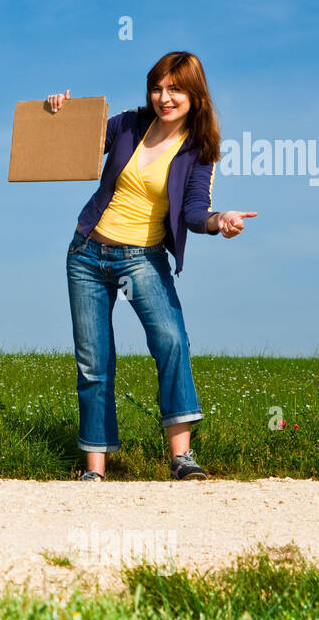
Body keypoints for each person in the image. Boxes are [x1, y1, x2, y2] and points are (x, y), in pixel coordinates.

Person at [47, 51, 256, 481]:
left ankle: (181, 458)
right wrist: (59, 114)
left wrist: (221, 222)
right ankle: (95, 469)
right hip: (87, 253)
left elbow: (196, 212)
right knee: (94, 362)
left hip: (142, 259)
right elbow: (74, 147)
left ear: (194, 95)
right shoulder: (127, 124)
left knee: (171, 342)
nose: (165, 97)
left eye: (175, 89)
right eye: (158, 88)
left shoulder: (198, 151)